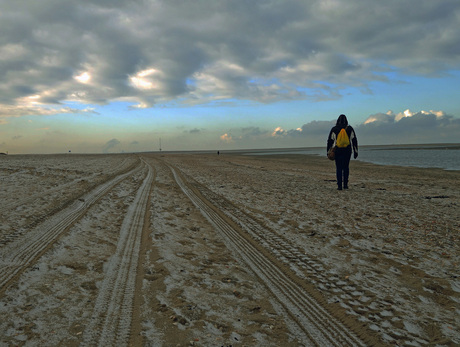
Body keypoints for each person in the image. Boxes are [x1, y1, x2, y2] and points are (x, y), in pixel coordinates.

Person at [327, 114, 358, 190]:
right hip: (347, 150)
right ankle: (345, 185)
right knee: (346, 167)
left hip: (338, 150)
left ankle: (339, 186)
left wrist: (328, 151)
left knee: (339, 168)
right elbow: (354, 140)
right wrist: (356, 151)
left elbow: (330, 141)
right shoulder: (350, 129)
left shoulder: (334, 129)